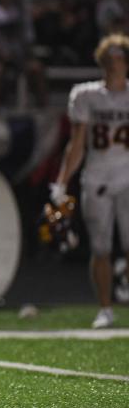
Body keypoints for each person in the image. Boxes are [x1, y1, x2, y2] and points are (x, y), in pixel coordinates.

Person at [50, 34, 129, 328]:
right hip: (96, 177)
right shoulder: (86, 95)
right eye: (109, 57)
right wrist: (61, 181)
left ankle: (122, 279)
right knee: (100, 248)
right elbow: (77, 143)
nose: (114, 63)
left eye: (119, 56)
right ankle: (106, 309)